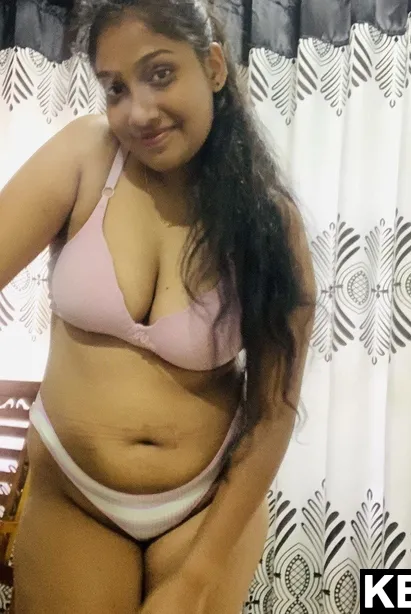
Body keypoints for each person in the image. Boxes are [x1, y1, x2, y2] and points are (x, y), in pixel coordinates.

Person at [0, 0, 315, 612]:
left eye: (160, 74)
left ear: (213, 68)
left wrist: (197, 580)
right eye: (115, 88)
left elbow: (273, 412)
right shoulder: (84, 155)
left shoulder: (269, 224)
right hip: (74, 495)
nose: (138, 112)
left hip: (204, 506)